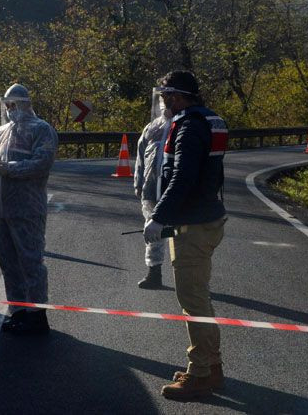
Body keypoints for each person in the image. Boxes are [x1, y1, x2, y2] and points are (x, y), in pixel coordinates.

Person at [143, 70, 228, 400]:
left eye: (166, 97)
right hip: (207, 218)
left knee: (193, 301)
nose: (163, 103)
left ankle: (200, 374)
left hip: (193, 225)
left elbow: (182, 178)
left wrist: (158, 217)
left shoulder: (189, 126)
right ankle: (211, 365)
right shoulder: (209, 120)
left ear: (178, 97)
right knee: (200, 298)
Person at [0, 83, 59, 335]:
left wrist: (9, 169)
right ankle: (18, 311)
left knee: (31, 261)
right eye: (7, 105)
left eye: (14, 104)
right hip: (0, 206)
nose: (10, 109)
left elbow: (41, 163)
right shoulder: (1, 131)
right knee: (8, 261)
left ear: (25, 103)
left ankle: (37, 316)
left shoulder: (42, 130)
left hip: (26, 207)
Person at [134, 95, 173, 289]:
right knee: (153, 234)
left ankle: (189, 279)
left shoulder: (184, 125)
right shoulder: (152, 127)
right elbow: (141, 157)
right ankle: (154, 273)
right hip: (151, 191)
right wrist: (138, 183)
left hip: (176, 190)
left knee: (182, 235)